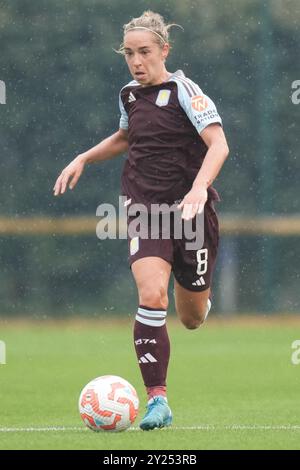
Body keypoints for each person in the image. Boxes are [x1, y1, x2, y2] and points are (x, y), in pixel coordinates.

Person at [53, 10, 229, 431]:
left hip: (190, 214)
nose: (136, 61)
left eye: (145, 52)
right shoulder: (128, 94)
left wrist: (199, 188)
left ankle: (202, 299)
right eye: (129, 53)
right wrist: (84, 157)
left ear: (164, 50)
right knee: (152, 296)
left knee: (190, 318)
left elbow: (219, 144)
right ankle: (158, 400)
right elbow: (125, 136)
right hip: (145, 212)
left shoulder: (185, 90)